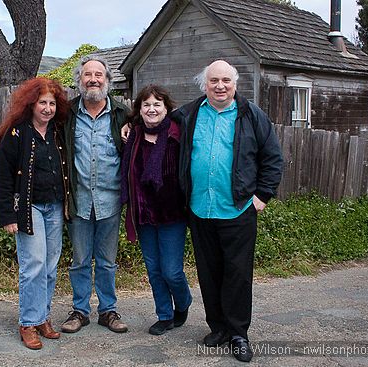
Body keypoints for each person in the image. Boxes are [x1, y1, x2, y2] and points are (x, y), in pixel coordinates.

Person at [173, 60, 283, 362]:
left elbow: (273, 158)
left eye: (225, 81)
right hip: (200, 209)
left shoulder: (251, 115)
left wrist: (262, 196)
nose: (220, 86)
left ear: (235, 84)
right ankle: (218, 327)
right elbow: (153, 121)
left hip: (237, 209)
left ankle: (238, 333)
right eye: (213, 81)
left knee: (237, 274)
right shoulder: (189, 114)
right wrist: (131, 124)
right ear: (204, 84)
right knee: (209, 273)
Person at [0, 77, 70, 350]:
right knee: (33, 265)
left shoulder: (58, 132)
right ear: (31, 104)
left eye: (51, 103)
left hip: (55, 206)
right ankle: (27, 322)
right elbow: (2, 176)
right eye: (42, 103)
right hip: (29, 208)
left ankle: (42, 318)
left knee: (50, 266)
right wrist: (8, 216)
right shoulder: (17, 133)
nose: (47, 108)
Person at [60, 55, 129, 334]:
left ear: (107, 81)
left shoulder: (122, 114)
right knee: (79, 260)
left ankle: (108, 311)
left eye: (98, 75)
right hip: (77, 201)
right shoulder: (66, 114)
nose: (93, 79)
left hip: (110, 200)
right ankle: (79, 310)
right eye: (87, 75)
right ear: (79, 81)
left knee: (107, 260)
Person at [120, 85, 192, 336]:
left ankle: (183, 302)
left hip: (173, 214)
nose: (152, 109)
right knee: (154, 270)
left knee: (172, 271)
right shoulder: (133, 136)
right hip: (144, 214)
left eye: (157, 104)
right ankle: (164, 315)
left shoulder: (178, 133)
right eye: (146, 105)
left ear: (166, 108)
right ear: (139, 110)